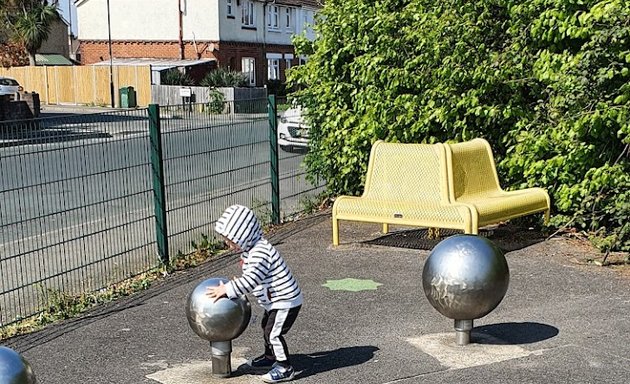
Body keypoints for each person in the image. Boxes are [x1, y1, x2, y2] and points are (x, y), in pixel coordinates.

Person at [206, 204, 303, 383]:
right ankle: (270, 357)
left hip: (285, 301)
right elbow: (255, 276)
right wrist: (239, 281)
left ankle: (284, 367)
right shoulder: (253, 249)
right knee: (266, 326)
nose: (229, 244)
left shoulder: (260, 252)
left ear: (244, 236)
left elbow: (251, 281)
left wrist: (227, 289)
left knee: (273, 333)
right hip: (275, 300)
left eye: (231, 240)